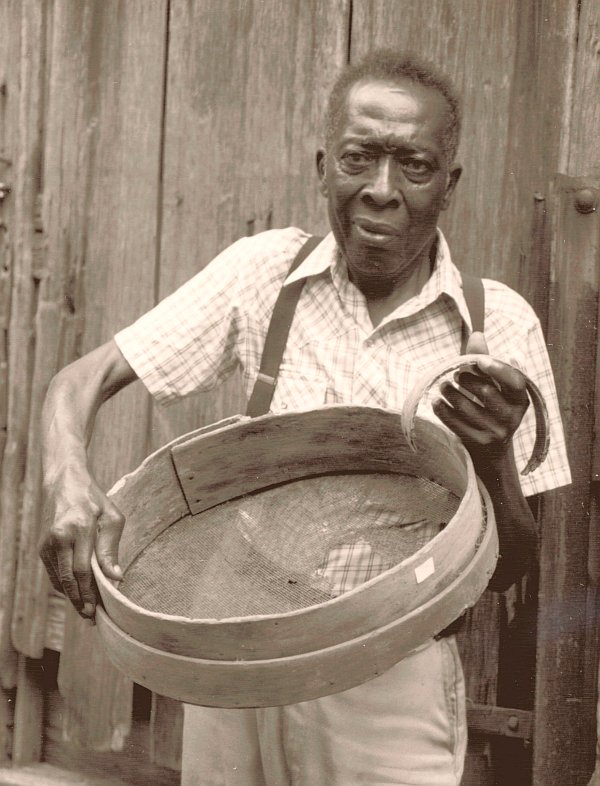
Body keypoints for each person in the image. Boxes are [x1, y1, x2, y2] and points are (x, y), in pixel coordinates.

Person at [40, 49, 571, 786]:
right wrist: (70, 479)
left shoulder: (494, 326)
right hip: (239, 665)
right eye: (360, 159)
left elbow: (511, 566)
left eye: (413, 167)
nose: (381, 191)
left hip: (391, 674)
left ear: (449, 186)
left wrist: (491, 458)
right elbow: (79, 380)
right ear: (325, 167)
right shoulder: (263, 277)